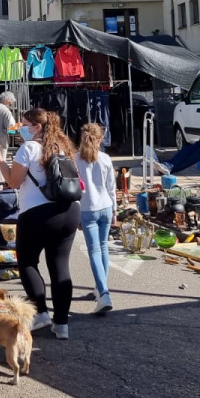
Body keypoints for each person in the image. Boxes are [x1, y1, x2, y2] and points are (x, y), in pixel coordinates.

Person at [0, 107, 81, 340]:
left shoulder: (28, 148)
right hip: (68, 210)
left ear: (36, 127)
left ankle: (41, 314)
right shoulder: (64, 146)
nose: (20, 128)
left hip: (37, 212)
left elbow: (14, 182)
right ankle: (62, 325)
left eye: (24, 124)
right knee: (60, 267)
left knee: (27, 262)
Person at [76, 122, 116, 315]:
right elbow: (111, 188)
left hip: (87, 208)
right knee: (103, 248)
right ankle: (100, 288)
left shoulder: (75, 159)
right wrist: (115, 211)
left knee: (94, 251)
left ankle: (104, 292)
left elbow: (75, 191)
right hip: (106, 206)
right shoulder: (106, 159)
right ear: (99, 139)